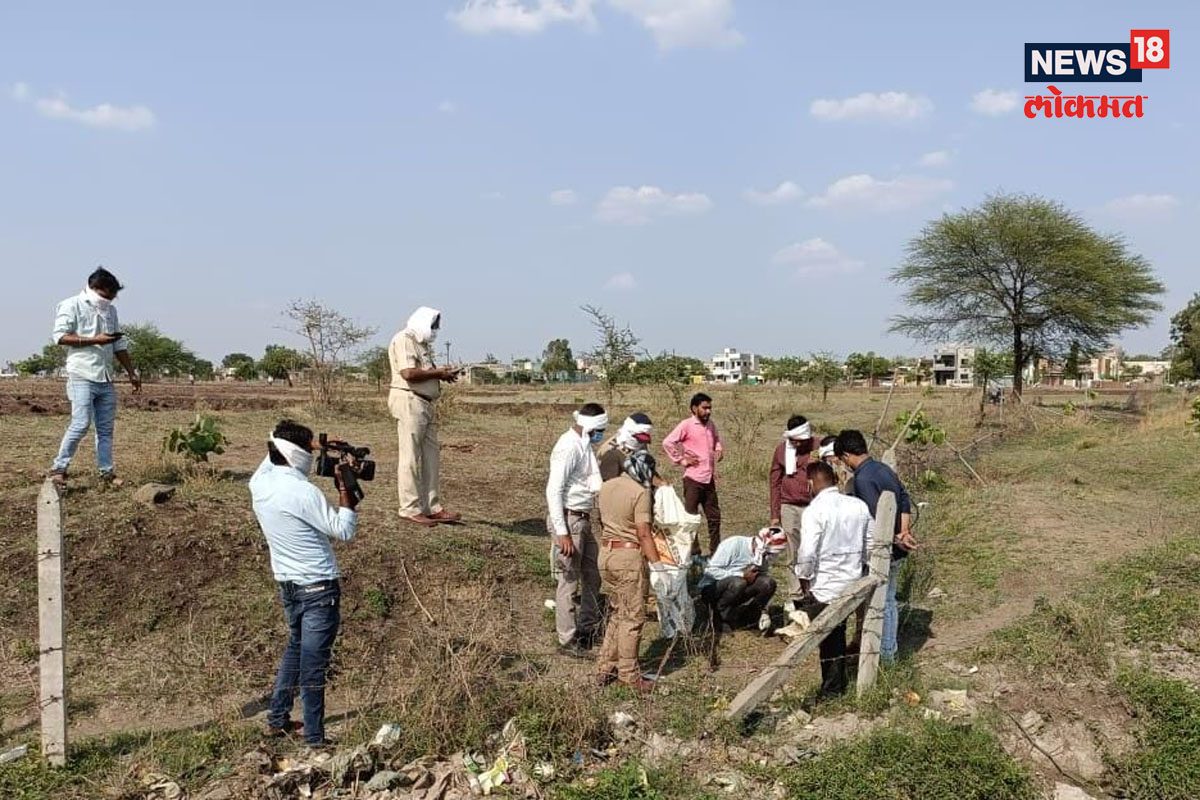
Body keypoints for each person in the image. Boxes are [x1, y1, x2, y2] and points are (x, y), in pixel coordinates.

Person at [250, 419, 359, 746]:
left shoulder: (259, 482)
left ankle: (277, 719)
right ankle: (315, 738)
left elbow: (275, 445)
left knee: (295, 649)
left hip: (289, 587)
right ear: (299, 456)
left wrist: (314, 442)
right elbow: (344, 531)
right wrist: (345, 488)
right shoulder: (303, 492)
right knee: (313, 667)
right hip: (319, 589)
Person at [48, 267, 142, 487]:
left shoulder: (111, 311)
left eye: (112, 297)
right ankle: (59, 468)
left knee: (105, 429)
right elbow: (60, 337)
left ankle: (106, 472)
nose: (109, 300)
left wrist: (131, 372)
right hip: (81, 374)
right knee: (80, 424)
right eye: (107, 295)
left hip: (105, 377)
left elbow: (118, 344)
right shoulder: (71, 305)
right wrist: (95, 340)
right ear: (95, 288)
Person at [833, 429, 916, 664]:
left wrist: (894, 537)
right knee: (889, 599)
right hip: (898, 545)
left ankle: (887, 655)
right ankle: (886, 650)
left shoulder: (863, 479)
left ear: (847, 455)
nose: (844, 465)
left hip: (884, 550)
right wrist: (904, 531)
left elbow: (874, 517)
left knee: (884, 601)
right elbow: (904, 499)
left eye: (842, 460)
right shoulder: (883, 469)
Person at [795, 461, 873, 696]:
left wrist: (804, 579)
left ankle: (832, 689)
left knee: (829, 640)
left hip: (825, 587)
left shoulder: (814, 511)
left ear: (810, 484)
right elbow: (871, 542)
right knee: (839, 632)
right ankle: (841, 682)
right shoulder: (858, 505)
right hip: (854, 582)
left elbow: (807, 552)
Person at [595, 452, 664, 691]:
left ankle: (605, 666)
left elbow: (602, 521)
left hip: (606, 554)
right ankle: (630, 674)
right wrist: (658, 566)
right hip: (628, 556)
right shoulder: (639, 493)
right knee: (633, 617)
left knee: (617, 612)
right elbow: (643, 532)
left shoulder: (606, 487)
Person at [388, 306, 462, 526]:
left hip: (425, 403)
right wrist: (438, 373)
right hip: (409, 400)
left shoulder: (421, 344)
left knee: (431, 457)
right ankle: (409, 508)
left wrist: (442, 375)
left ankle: (432, 506)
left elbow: (423, 373)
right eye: (433, 325)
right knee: (410, 456)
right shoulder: (404, 339)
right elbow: (408, 373)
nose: (435, 330)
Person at [545, 403, 607, 657]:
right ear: (591, 425)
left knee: (593, 574)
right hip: (570, 521)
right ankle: (567, 639)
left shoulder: (584, 445)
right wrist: (562, 532)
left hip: (582, 519)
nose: (602, 433)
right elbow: (554, 489)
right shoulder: (569, 446)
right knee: (569, 580)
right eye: (601, 429)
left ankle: (587, 628)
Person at [663, 393, 723, 556]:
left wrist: (718, 449)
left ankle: (716, 552)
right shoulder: (686, 425)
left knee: (714, 517)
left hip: (708, 479)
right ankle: (693, 552)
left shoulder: (710, 425)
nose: (708, 411)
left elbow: (716, 440)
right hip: (693, 479)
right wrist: (682, 460)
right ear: (694, 408)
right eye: (704, 408)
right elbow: (668, 442)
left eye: (710, 407)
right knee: (691, 517)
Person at [699, 527, 788, 631]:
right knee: (739, 582)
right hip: (712, 588)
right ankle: (719, 616)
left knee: (768, 583)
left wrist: (765, 610)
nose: (768, 556)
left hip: (738, 589)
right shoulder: (734, 543)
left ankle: (749, 618)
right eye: (768, 553)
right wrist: (741, 575)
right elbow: (710, 571)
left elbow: (763, 575)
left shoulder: (763, 556)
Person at [769, 415, 816, 611]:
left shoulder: (817, 447)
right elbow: (775, 481)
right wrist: (775, 514)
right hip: (789, 506)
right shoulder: (782, 450)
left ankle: (812, 591)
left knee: (812, 550)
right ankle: (796, 594)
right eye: (793, 440)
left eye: (799, 440)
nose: (796, 443)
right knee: (792, 552)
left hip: (813, 507)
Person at [597, 412, 653, 481]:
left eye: (642, 441)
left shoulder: (640, 445)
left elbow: (647, 469)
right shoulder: (610, 453)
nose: (641, 443)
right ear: (628, 433)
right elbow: (608, 486)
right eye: (638, 439)